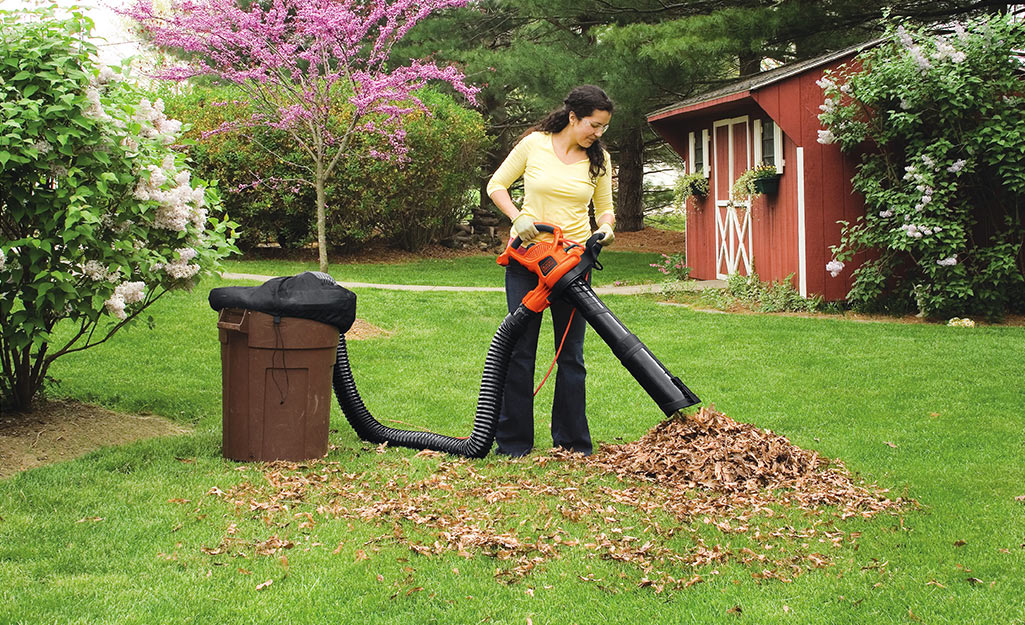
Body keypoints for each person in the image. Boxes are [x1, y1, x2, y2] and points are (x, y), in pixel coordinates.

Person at [485, 84, 616, 457]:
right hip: (527, 261)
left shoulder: (599, 160)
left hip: (573, 265)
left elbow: (605, 209)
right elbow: (497, 184)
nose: (598, 133)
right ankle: (513, 444)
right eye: (593, 125)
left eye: (604, 127)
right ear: (573, 117)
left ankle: (572, 443)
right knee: (519, 351)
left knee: (571, 354)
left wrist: (606, 228)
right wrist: (518, 216)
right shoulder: (534, 144)